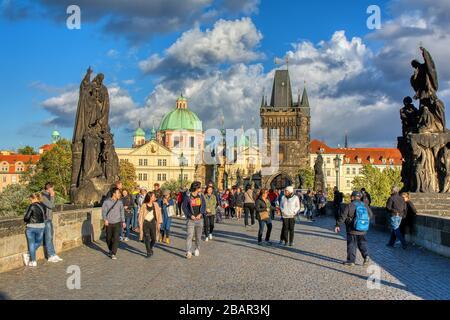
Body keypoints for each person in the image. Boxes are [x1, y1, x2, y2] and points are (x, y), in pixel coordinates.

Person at [335, 191, 372, 266]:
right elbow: (370, 215)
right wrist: (363, 222)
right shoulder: (364, 205)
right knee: (362, 243)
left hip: (352, 229)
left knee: (351, 244)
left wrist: (337, 225)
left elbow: (343, 216)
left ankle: (351, 261)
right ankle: (366, 256)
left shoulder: (350, 205)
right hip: (363, 229)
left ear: (352, 197)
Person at [182, 181, 206, 259]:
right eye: (200, 187)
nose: (201, 188)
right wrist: (190, 215)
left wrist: (201, 213)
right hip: (191, 219)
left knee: (198, 236)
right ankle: (188, 251)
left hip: (199, 219)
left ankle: (197, 249)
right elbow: (184, 207)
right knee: (190, 235)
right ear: (196, 188)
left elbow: (204, 206)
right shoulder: (188, 196)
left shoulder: (201, 196)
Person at [40, 182, 63, 263]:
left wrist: (51, 196)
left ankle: (53, 254)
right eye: (52, 188)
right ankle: (50, 256)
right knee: (48, 237)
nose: (53, 190)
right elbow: (51, 205)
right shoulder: (42, 196)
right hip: (45, 219)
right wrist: (52, 196)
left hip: (49, 219)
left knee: (51, 237)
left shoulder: (47, 195)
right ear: (49, 188)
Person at [102, 187, 125, 260]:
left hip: (117, 222)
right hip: (109, 222)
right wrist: (105, 219)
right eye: (118, 193)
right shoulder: (106, 202)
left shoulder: (120, 202)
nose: (119, 194)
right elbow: (104, 212)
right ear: (114, 193)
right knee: (108, 238)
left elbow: (122, 212)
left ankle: (113, 253)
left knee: (116, 238)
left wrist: (123, 221)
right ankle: (110, 249)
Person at [23, 193, 46, 267]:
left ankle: (33, 261)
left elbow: (26, 218)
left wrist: (26, 219)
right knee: (39, 243)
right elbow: (44, 216)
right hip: (41, 227)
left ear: (33, 198)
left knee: (31, 244)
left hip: (31, 227)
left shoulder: (32, 206)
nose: (30, 201)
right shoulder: (43, 206)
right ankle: (29, 254)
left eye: (30, 199)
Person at [138, 192, 162, 258]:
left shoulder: (156, 204)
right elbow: (140, 216)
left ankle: (150, 248)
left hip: (153, 223)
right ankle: (148, 252)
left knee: (154, 239)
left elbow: (159, 214)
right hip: (145, 223)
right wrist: (140, 224)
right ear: (150, 197)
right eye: (153, 196)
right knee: (147, 238)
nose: (155, 197)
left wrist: (159, 223)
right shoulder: (144, 205)